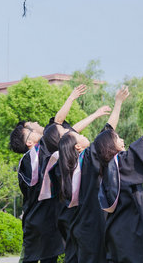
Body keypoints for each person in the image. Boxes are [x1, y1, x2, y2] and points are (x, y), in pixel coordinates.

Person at [9, 84, 91, 263]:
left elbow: (69, 132)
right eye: (31, 129)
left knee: (38, 258)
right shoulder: (36, 154)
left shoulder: (32, 158)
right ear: (30, 141)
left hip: (40, 217)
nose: (37, 127)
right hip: (43, 217)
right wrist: (71, 97)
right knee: (42, 259)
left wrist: (95, 114)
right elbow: (58, 124)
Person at [56, 87, 129, 263]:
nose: (80, 134)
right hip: (93, 226)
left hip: (78, 226)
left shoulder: (69, 167)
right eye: (77, 135)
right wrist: (118, 102)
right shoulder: (88, 158)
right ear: (78, 147)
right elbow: (109, 131)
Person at [95, 86, 143, 263]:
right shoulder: (123, 161)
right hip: (131, 229)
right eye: (117, 138)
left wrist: (118, 103)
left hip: (113, 229)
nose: (122, 139)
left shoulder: (101, 165)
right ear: (111, 145)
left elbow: (104, 134)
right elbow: (142, 145)